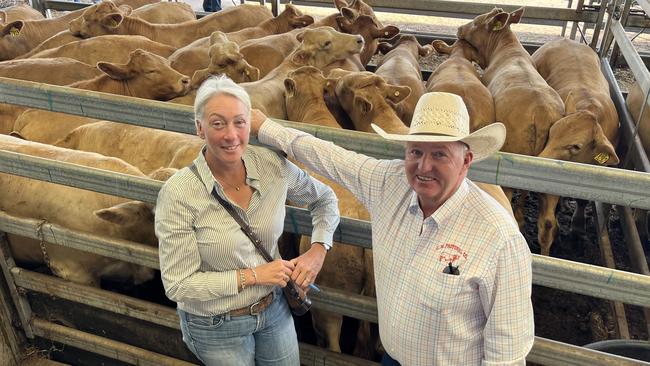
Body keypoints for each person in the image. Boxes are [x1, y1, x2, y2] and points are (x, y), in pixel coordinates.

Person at [250, 92, 535, 365]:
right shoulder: (390, 184)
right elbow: (329, 156)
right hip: (392, 358)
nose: (424, 166)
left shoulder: (499, 237)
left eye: (440, 154)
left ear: (466, 161)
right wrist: (264, 126)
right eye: (415, 151)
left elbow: (507, 353)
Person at [155, 75, 339, 366]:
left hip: (274, 309)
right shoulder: (179, 194)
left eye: (239, 122)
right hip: (216, 324)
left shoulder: (272, 166)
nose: (231, 135)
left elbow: (325, 199)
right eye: (218, 124)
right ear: (199, 128)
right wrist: (253, 276)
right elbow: (178, 285)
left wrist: (318, 250)